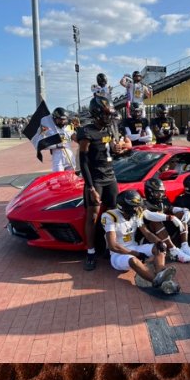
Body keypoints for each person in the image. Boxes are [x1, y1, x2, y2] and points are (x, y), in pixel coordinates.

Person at [74, 94, 122, 271]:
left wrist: (117, 150)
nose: (109, 117)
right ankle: (91, 252)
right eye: (106, 113)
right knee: (92, 217)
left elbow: (110, 153)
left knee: (112, 214)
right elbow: (84, 161)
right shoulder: (86, 132)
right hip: (96, 179)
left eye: (110, 114)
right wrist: (91, 187)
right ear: (96, 113)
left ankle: (109, 246)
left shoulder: (109, 129)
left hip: (110, 177)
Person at [102, 190, 179, 293]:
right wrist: (137, 254)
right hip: (118, 254)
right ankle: (157, 282)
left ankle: (161, 272)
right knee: (134, 260)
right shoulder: (110, 216)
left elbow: (146, 233)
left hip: (134, 247)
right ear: (125, 207)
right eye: (135, 206)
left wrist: (158, 241)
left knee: (160, 247)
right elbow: (113, 246)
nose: (138, 208)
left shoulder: (136, 213)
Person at [143, 177, 190, 262]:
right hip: (149, 237)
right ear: (150, 193)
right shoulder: (144, 204)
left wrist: (185, 210)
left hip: (163, 232)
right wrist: (170, 217)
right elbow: (149, 215)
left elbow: (171, 208)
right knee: (155, 222)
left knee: (182, 214)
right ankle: (173, 250)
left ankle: (185, 245)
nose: (161, 195)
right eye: (158, 193)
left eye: (162, 192)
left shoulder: (163, 201)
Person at [45, 107, 76, 173]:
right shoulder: (49, 129)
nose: (63, 121)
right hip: (58, 160)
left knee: (71, 180)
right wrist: (57, 145)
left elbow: (76, 139)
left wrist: (79, 129)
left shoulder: (69, 127)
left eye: (64, 119)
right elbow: (43, 145)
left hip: (70, 157)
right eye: (60, 119)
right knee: (59, 180)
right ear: (55, 118)